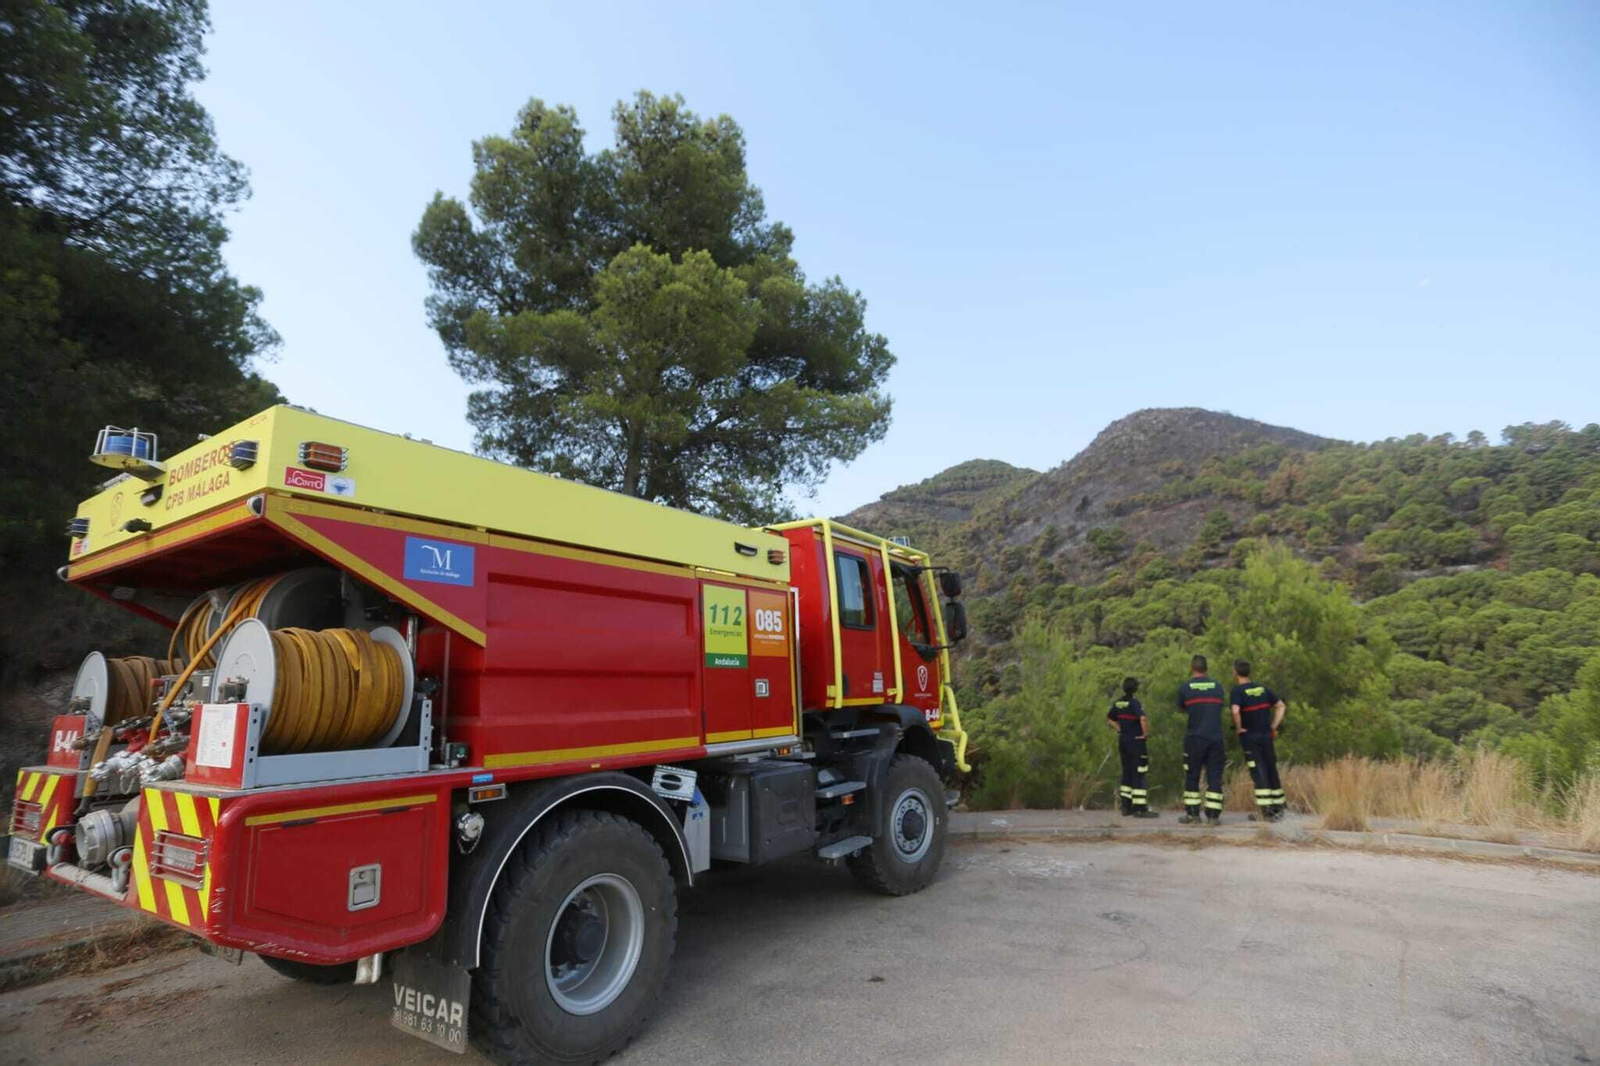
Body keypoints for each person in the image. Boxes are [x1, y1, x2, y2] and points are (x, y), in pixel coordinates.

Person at [1230, 660, 1287, 820]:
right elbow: (1281, 706)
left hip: (1250, 737)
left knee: (1258, 771)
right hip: (1266, 735)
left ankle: (1265, 812)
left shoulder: (1237, 691)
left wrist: (1239, 727)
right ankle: (1279, 808)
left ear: (1235, 672)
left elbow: (1235, 711)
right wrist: (1273, 726)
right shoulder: (1263, 688)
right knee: (1271, 769)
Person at [1176, 655, 1226, 824]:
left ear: (1192, 668)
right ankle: (1213, 817)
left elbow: (1181, 708)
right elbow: (1220, 705)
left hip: (1194, 738)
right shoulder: (1218, 686)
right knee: (1214, 776)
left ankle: (1193, 815)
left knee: (1192, 776)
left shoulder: (1185, 687)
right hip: (1215, 737)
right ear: (1206, 668)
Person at [1105, 677, 1159, 818]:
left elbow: (1110, 718)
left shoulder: (1118, 703)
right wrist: (1145, 734)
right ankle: (1140, 808)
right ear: (1135, 689)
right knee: (1139, 774)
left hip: (1123, 742)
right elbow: (1142, 718)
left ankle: (1126, 807)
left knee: (1127, 773)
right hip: (1136, 742)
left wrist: (1120, 729)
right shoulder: (1134, 703)